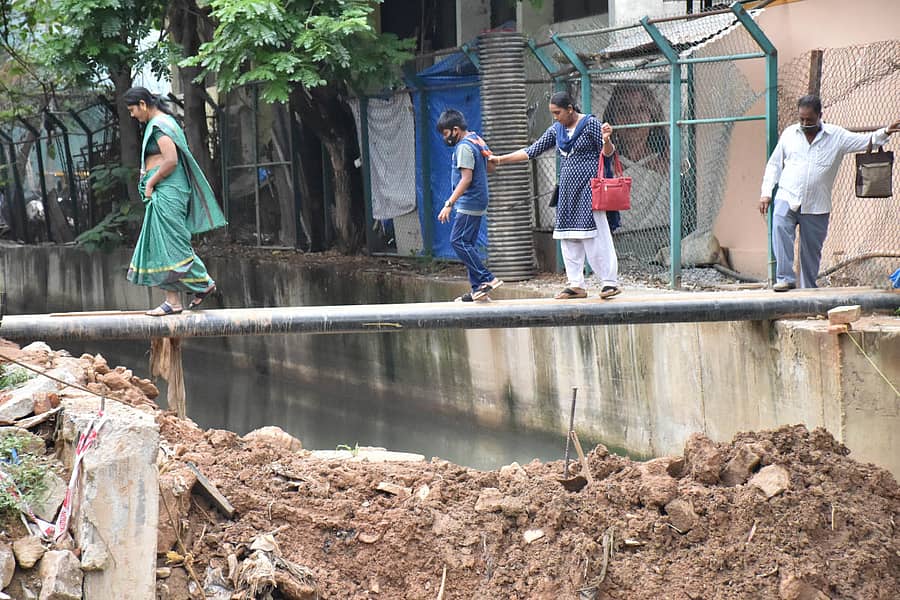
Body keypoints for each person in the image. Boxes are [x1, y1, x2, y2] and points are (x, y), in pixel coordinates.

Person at [759, 94, 899, 291]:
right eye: (801, 119)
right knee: (780, 232)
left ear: (819, 116)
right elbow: (774, 165)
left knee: (811, 250)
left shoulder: (836, 136)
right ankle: (785, 278)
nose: (805, 123)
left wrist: (885, 132)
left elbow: (866, 141)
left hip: (817, 204)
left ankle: (808, 289)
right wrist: (766, 193)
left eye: (809, 119)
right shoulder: (790, 134)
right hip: (786, 196)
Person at [490, 91, 620, 299]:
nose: (555, 117)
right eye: (553, 113)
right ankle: (576, 284)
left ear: (570, 109)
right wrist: (499, 160)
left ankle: (608, 282)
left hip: (590, 190)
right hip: (567, 190)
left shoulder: (591, 124)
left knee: (596, 235)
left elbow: (608, 153)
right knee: (568, 237)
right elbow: (532, 150)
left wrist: (606, 140)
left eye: (558, 112)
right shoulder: (557, 130)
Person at [123, 87, 227, 315]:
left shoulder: (160, 126)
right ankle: (173, 301)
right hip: (163, 191)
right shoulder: (160, 123)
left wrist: (150, 183)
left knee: (173, 244)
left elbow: (170, 161)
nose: (132, 115)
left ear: (142, 104)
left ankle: (204, 282)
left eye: (132, 109)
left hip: (169, 191)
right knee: (159, 246)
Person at [436, 109, 503, 302]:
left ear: (455, 129)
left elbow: (466, 179)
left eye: (446, 133)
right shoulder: (476, 139)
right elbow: (491, 166)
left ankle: (487, 278)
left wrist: (449, 203)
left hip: (469, 200)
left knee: (458, 241)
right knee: (468, 244)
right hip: (479, 199)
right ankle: (478, 291)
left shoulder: (464, 146)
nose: (445, 138)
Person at [601, 84, 668, 234]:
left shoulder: (666, 163)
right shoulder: (605, 164)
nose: (632, 118)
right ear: (613, 119)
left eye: (642, 109)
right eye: (624, 110)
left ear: (652, 117)